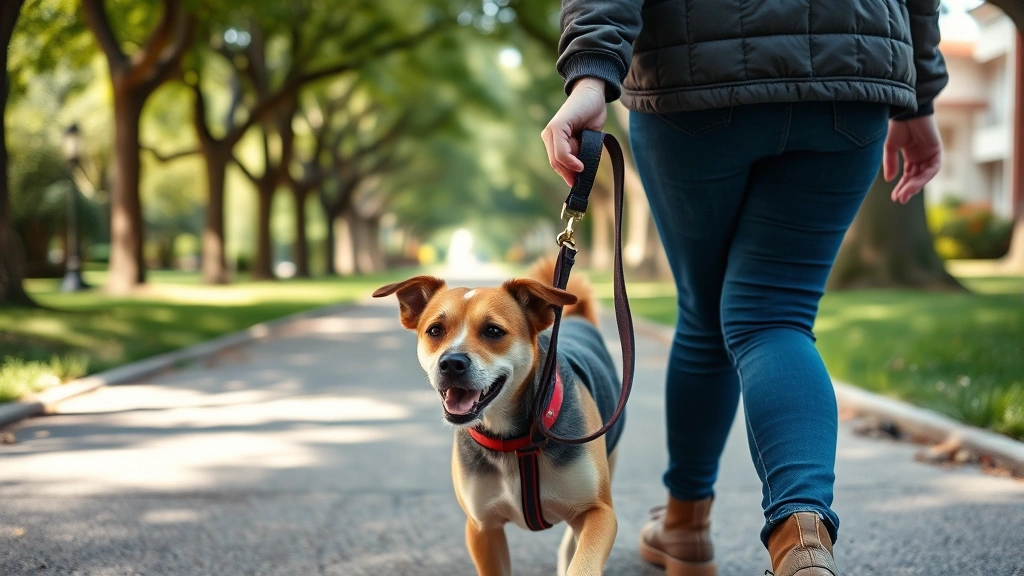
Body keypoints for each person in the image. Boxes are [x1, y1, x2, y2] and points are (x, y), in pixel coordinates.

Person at [541, 1, 947, 575]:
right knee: (775, 314)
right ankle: (802, 538)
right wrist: (921, 91)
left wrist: (589, 75)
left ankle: (685, 526)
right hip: (853, 75)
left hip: (696, 77)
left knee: (705, 315)